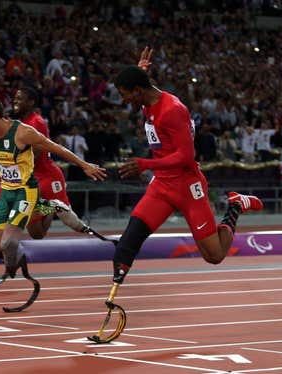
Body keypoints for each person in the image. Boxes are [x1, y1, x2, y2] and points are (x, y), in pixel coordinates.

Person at [111, 48, 264, 286]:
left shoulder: (172, 111)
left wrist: (145, 164)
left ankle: (235, 206)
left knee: (214, 255)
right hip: (162, 184)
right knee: (132, 236)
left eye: (125, 95)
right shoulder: (145, 99)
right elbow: (141, 84)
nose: (124, 100)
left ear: (137, 91)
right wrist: (141, 68)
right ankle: (115, 287)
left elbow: (185, 156)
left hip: (187, 184)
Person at [0, 93, 106, 278]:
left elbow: (55, 148)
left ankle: (49, 206)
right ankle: (45, 208)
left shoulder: (25, 131)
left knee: (16, 240)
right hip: (7, 188)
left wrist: (84, 165)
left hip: (27, 188)